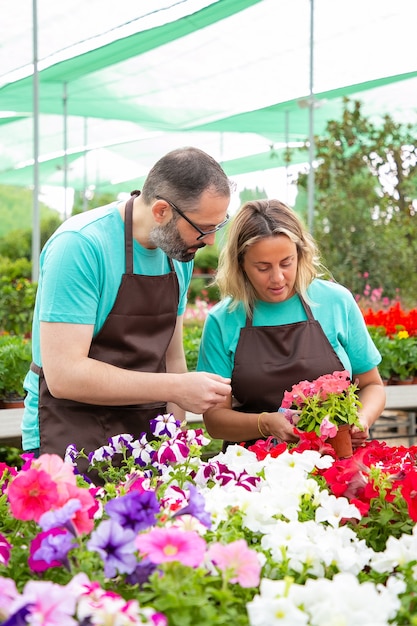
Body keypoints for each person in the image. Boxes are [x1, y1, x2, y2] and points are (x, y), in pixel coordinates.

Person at [22, 146, 233, 466]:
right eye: (204, 229)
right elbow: (64, 376)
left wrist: (175, 446)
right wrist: (176, 387)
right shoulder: (80, 246)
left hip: (144, 432)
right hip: (68, 432)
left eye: (217, 226)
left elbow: (171, 358)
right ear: (161, 211)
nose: (210, 242)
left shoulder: (178, 254)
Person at [196, 199, 386, 450]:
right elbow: (215, 421)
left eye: (286, 263)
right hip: (254, 470)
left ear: (301, 254)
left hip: (334, 460)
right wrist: (264, 423)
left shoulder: (336, 302)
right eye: (262, 267)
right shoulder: (223, 320)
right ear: (241, 264)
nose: (277, 278)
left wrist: (362, 419)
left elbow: (372, 384)